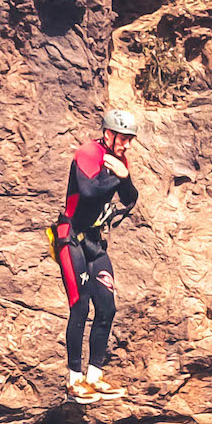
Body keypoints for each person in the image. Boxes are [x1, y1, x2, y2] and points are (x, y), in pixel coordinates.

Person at [52, 109, 139, 403]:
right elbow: (88, 191)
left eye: (130, 140)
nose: (127, 145)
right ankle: (74, 380)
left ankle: (95, 376)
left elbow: (130, 198)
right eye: (123, 139)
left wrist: (122, 175)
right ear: (108, 134)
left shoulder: (118, 161)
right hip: (70, 238)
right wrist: (118, 176)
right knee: (80, 307)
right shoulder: (88, 152)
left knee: (108, 308)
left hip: (93, 242)